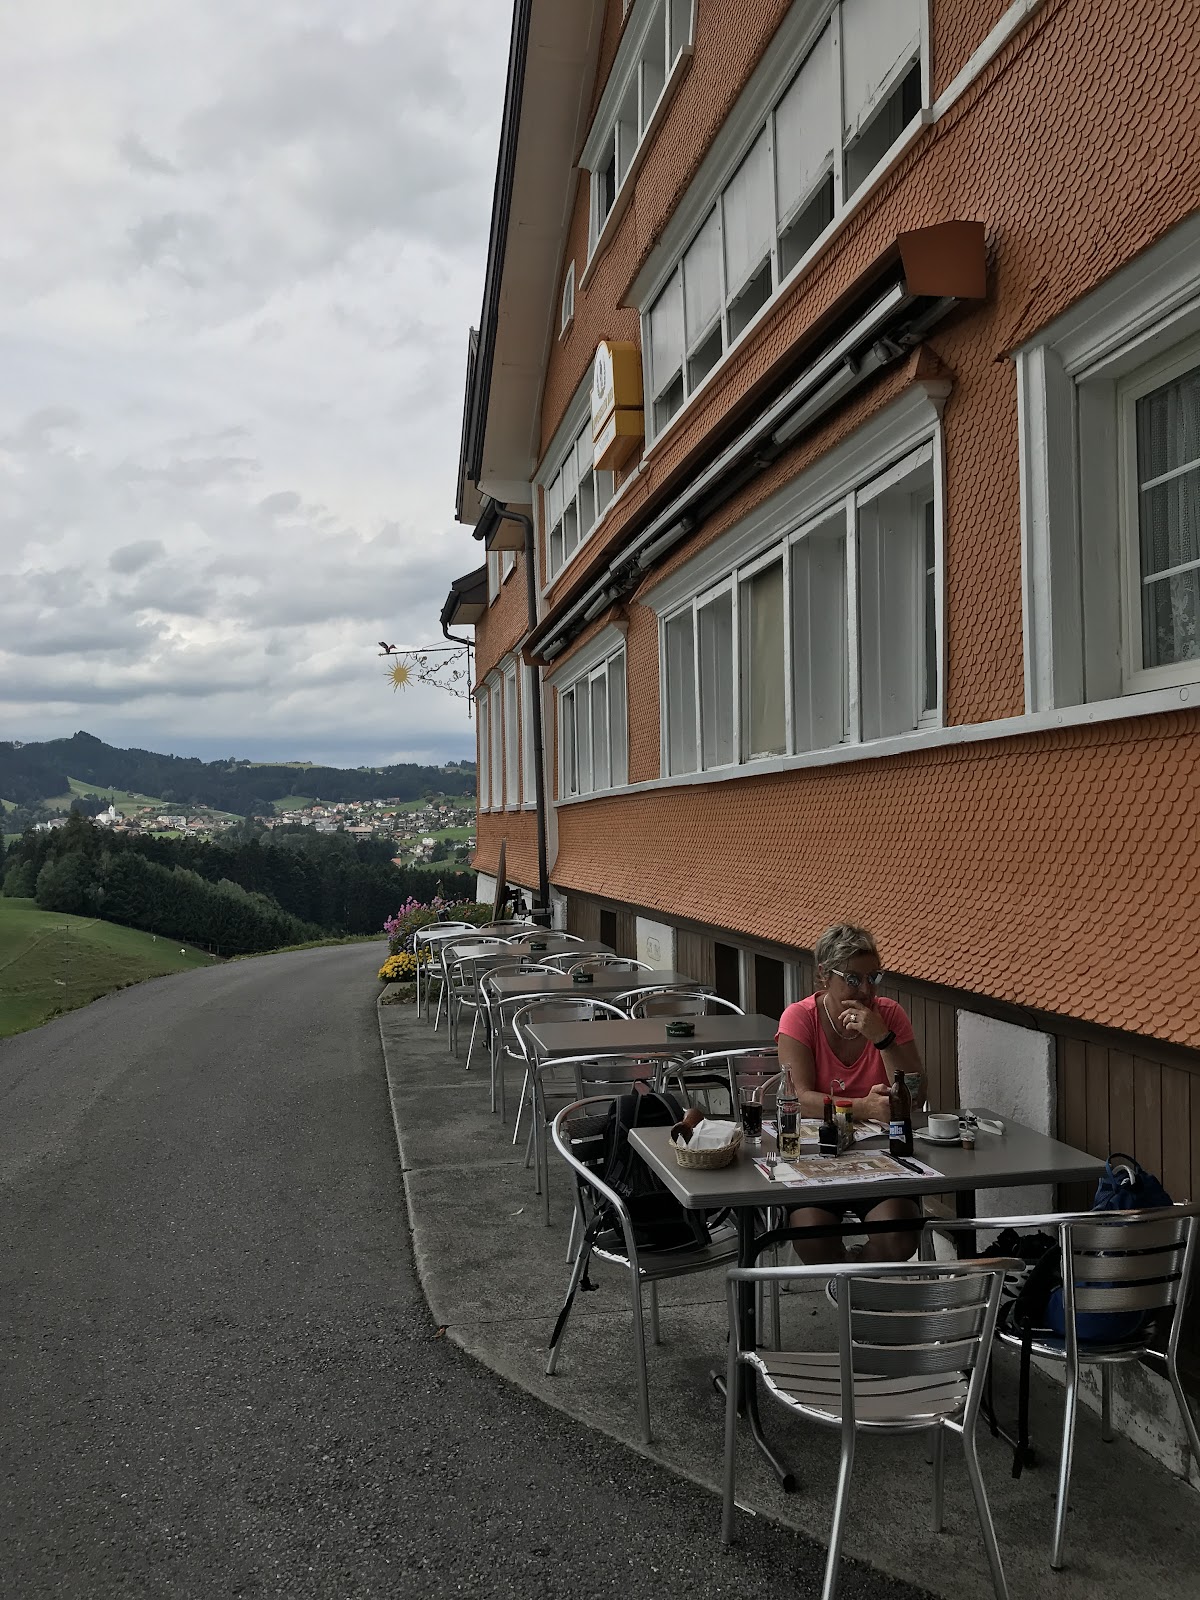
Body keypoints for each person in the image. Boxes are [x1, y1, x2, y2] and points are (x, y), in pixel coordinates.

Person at [775, 923, 925, 1265]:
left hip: (882, 1158)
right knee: (811, 1236)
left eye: (873, 978)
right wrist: (864, 1107)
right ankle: (853, 1283)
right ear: (824, 975)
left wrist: (882, 1038)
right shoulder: (800, 1018)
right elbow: (799, 1099)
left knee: (899, 1236)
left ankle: (851, 1282)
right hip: (817, 1156)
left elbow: (915, 1092)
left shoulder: (889, 1015)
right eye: (853, 979)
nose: (866, 990)